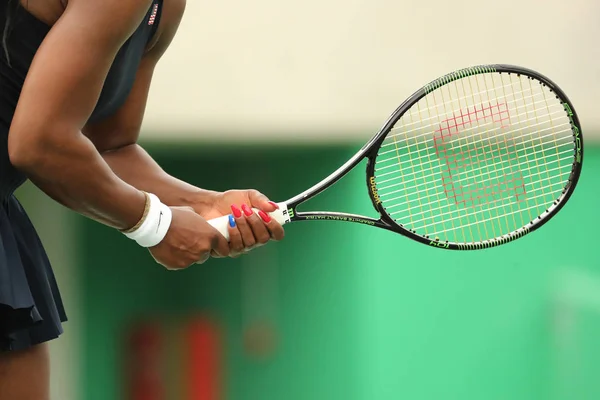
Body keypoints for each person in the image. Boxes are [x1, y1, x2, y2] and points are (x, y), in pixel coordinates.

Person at [0, 0, 285, 398]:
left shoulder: (165, 8)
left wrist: (201, 203)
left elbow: (109, 147)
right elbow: (40, 144)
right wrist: (154, 224)